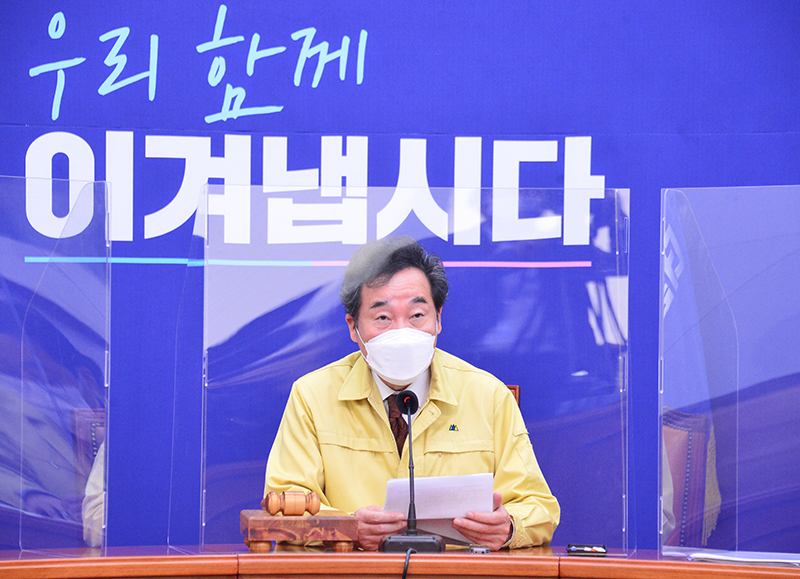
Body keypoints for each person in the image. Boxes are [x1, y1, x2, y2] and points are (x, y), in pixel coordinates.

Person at [264, 236, 559, 550]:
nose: (402, 332)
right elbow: (283, 505)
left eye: (417, 315)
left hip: (457, 571)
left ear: (438, 319)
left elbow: (538, 506)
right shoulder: (312, 396)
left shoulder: (489, 396)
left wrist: (509, 526)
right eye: (383, 318)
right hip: (354, 569)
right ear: (353, 327)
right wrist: (346, 529)